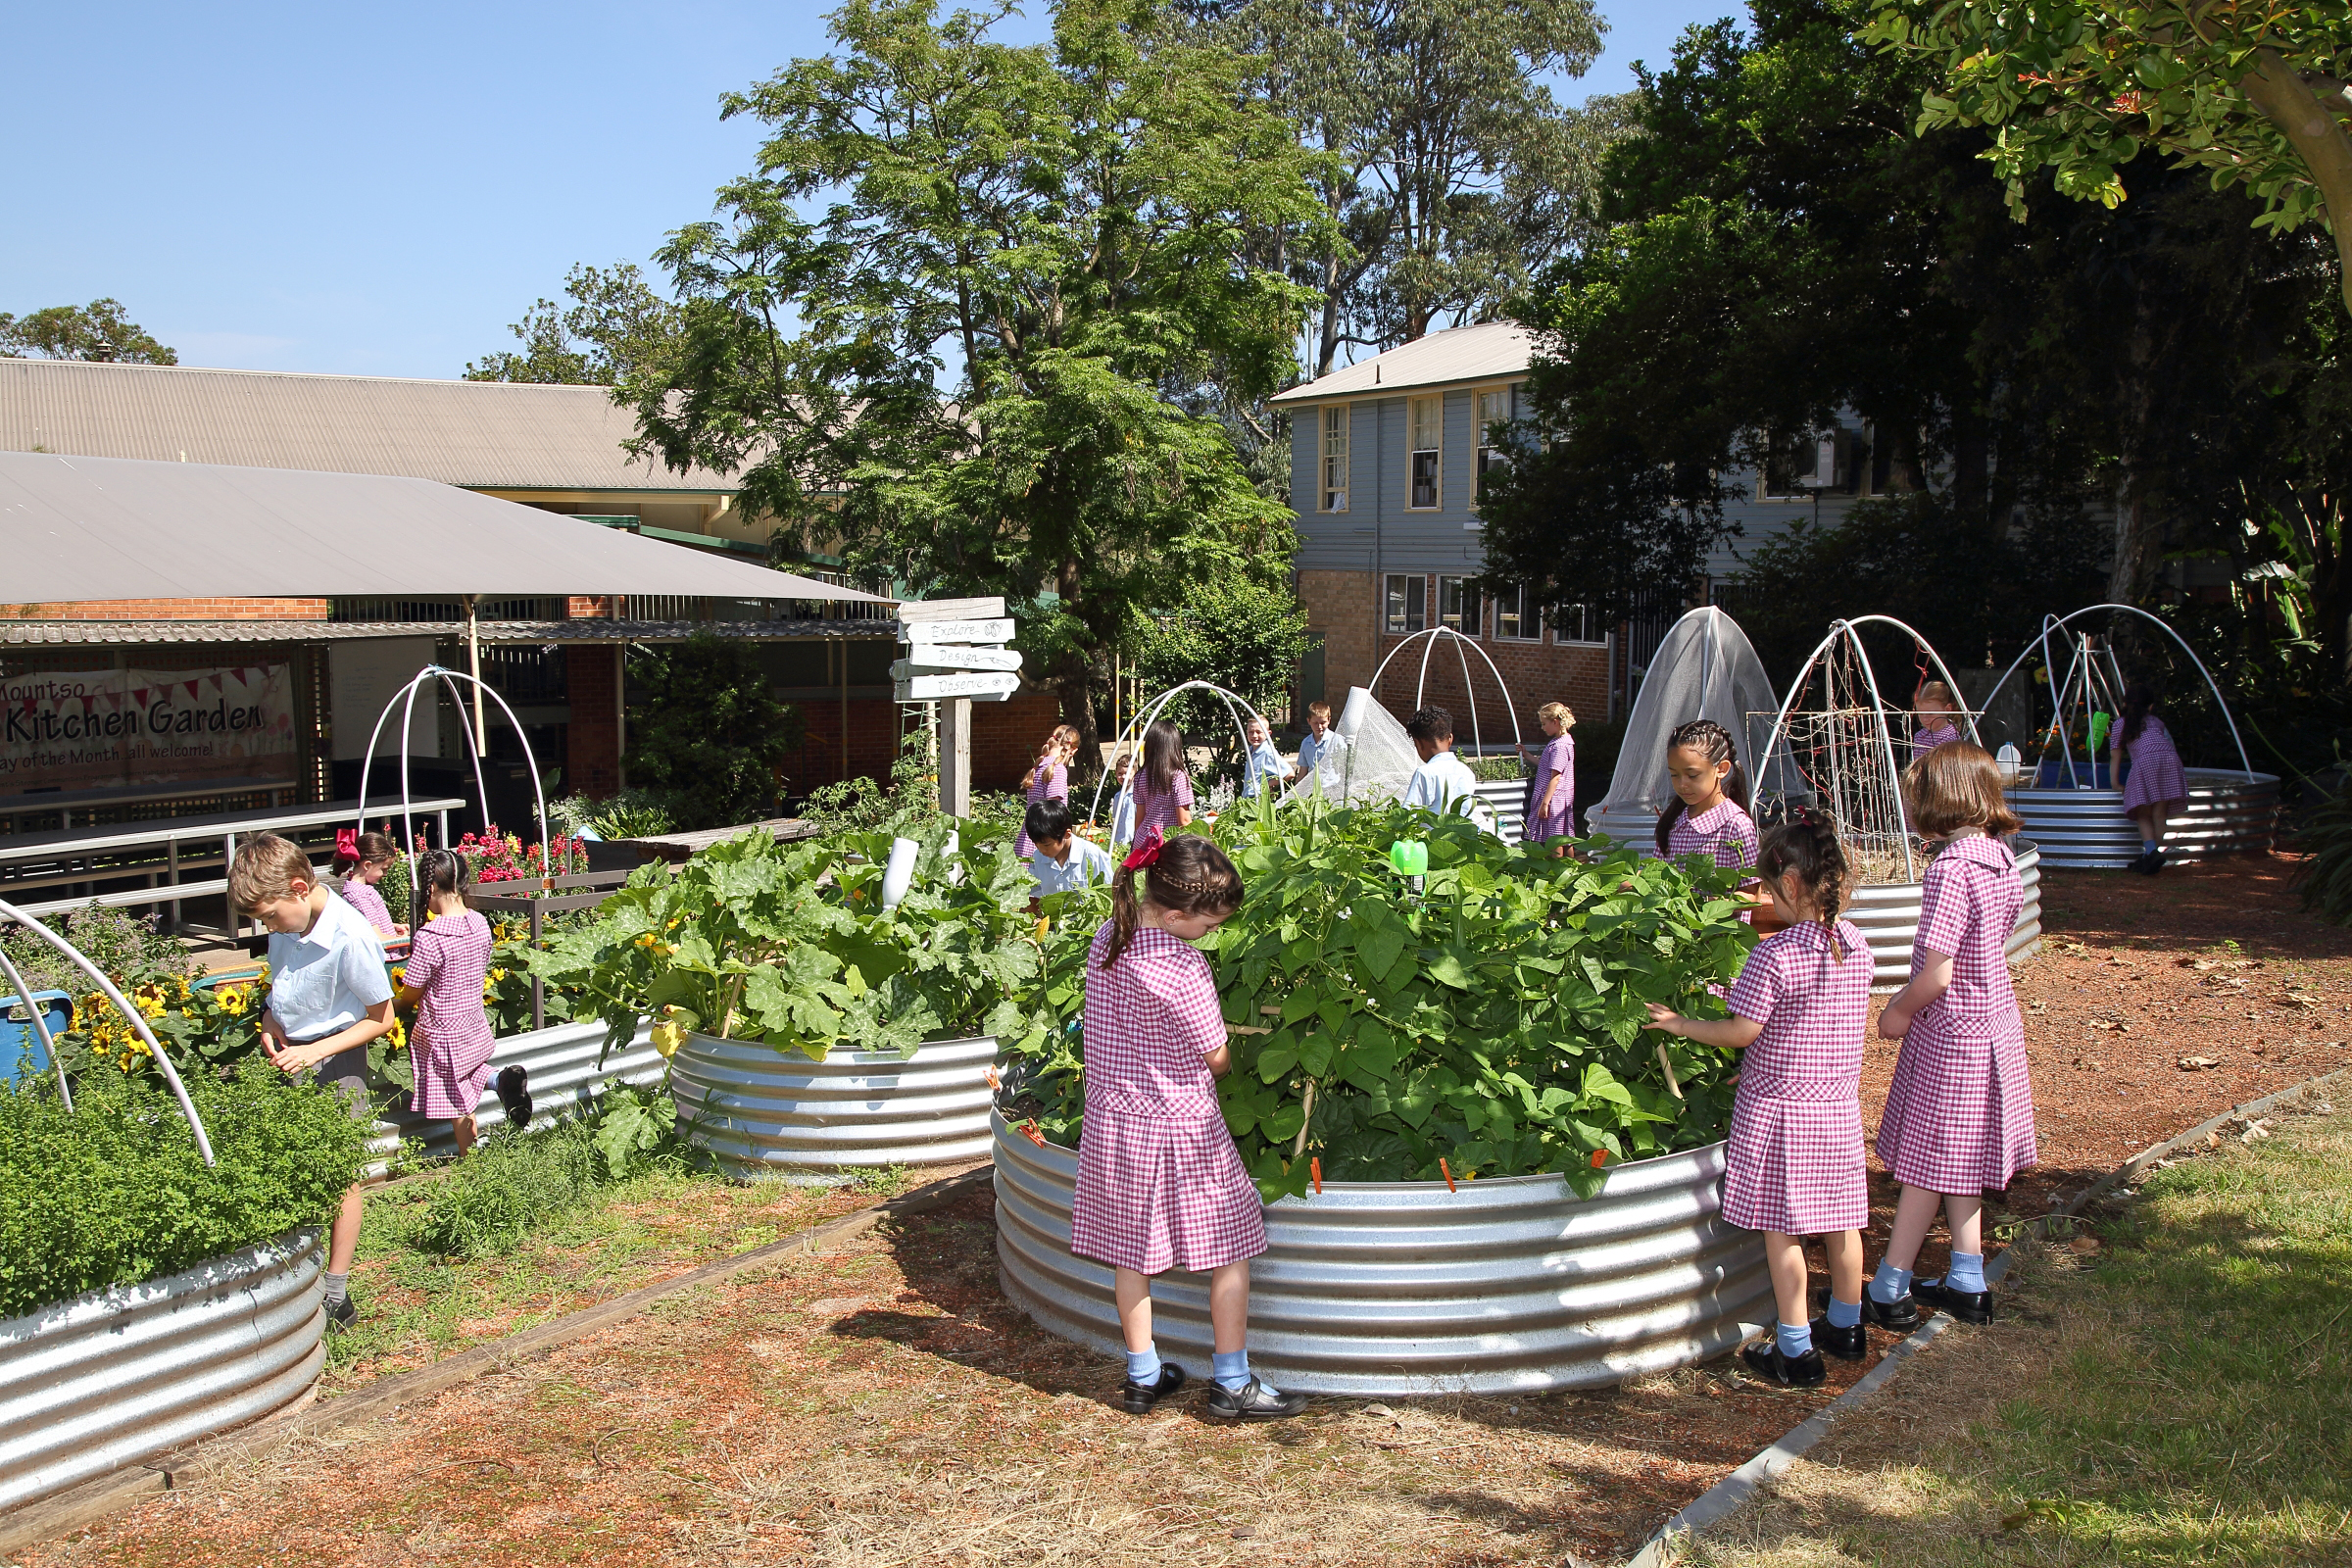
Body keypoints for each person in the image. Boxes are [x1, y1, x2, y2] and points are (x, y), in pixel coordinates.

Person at [1071, 829, 1303, 1421]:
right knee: (1230, 1247)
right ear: (1176, 914)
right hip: (1179, 1124)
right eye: (1209, 924)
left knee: (1132, 1253)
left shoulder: (1109, 939)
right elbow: (1216, 1058)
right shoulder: (1182, 967)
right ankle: (1231, 1380)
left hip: (1113, 1122)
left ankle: (1143, 1373)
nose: (1212, 934)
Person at [1644, 808, 1871, 1386]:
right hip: (1837, 1106)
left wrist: (1680, 1024)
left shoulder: (1775, 953)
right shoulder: (1856, 946)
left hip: (1784, 1116)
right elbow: (1812, 1029)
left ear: (1790, 885)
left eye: (1769, 889)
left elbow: (1743, 1030)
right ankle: (1846, 1326)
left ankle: (1795, 1349)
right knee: (1843, 1222)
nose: (1767, 900)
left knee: (1785, 1231)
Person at [1869, 743, 2034, 1329]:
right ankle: (1968, 1278)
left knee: (1926, 1165)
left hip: (1952, 1033)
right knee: (1959, 1156)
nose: (1910, 807)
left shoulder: (1949, 870)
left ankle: (1889, 1284)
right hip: (1994, 1022)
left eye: (1915, 797)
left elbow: (1937, 972)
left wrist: (1897, 1009)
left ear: (1941, 801)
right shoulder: (2000, 858)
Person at [231, 833, 397, 1335]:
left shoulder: (351, 934)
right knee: (292, 1164)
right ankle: (294, 1277)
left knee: (341, 1176)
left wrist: (314, 1051)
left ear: (300, 888)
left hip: (335, 1059)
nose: (267, 926)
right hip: (294, 1055)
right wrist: (268, 1020)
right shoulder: (289, 920)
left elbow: (382, 1018)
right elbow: (283, 983)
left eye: (268, 917)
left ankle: (335, 1293)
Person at [395, 849, 499, 1156]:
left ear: (430, 887)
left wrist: (396, 1007)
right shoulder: (479, 923)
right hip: (473, 1024)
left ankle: (473, 1162)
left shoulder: (431, 935)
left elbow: (411, 991)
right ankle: (500, 1079)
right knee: (468, 1078)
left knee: (458, 1100)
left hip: (442, 1033)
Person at [1654, 718, 1758, 870]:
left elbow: (1751, 891)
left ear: (1721, 769)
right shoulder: (1673, 821)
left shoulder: (1735, 825)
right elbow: (1656, 876)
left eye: (1693, 775)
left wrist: (1709, 896)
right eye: (1674, 775)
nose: (1682, 784)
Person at [2111, 680, 2187, 874]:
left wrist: (2116, 783)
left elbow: (2115, 755)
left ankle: (2151, 853)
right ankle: (2152, 855)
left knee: (2143, 812)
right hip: (2170, 759)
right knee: (2159, 812)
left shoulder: (2121, 724)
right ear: (2151, 706)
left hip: (2146, 763)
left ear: (2125, 704)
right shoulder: (2156, 722)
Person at [1026, 798, 1115, 909]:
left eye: (1046, 844)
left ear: (1067, 834)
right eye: (1035, 843)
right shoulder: (1038, 858)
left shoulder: (1091, 855)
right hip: (1054, 924)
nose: (1041, 850)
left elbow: (1111, 893)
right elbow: (1034, 897)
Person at [1014, 723, 1080, 858]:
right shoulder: (1058, 769)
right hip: (1044, 844)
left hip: (1028, 838)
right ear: (1073, 750)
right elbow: (1052, 814)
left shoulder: (1040, 765)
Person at [331, 828, 408, 939]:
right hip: (384, 955)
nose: (385, 874)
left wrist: (393, 927)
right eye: (384, 869)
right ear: (367, 865)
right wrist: (405, 940)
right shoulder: (359, 897)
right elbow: (376, 937)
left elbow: (369, 925)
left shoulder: (362, 890)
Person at [1401, 706, 1478, 816]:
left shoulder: (1424, 773)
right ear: (1450, 739)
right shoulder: (1466, 772)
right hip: (1461, 833)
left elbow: (1408, 816)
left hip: (1432, 834)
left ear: (1418, 743)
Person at [1128, 719, 1195, 843]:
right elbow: (1184, 821)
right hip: (1165, 844)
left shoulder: (1140, 776)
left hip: (1144, 841)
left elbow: (1140, 817)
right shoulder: (1177, 776)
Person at [1525, 702, 1577, 850]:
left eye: (1544, 723)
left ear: (1555, 722)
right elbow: (1546, 765)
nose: (1542, 728)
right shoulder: (1560, 742)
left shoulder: (1560, 746)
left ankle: (1557, 869)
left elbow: (1556, 776)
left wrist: (1545, 803)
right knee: (1562, 836)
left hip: (1554, 799)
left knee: (1555, 838)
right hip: (1558, 797)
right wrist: (1526, 754)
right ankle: (1571, 869)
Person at [1290, 701, 1344, 786]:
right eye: (1315, 723)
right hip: (1313, 788)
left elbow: (1345, 768)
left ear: (1329, 720)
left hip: (1332, 788)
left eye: (1323, 723)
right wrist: (1296, 793)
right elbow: (1303, 771)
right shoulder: (1306, 743)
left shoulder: (1337, 740)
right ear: (1309, 721)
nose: (1319, 727)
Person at [1240, 716, 1287, 800]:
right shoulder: (1251, 750)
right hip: (1248, 797)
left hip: (1258, 797)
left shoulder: (1267, 752)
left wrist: (1268, 784)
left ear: (1268, 733)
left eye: (1258, 732)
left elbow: (1289, 773)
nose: (1254, 736)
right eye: (1251, 732)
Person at [1911, 681, 1962, 758]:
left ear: (1947, 709)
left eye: (1930, 713)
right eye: (1920, 713)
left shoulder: (1950, 739)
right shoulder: (1920, 735)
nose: (1925, 718)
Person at [1107, 752, 1138, 848]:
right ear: (1115, 773)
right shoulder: (1117, 796)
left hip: (1132, 841)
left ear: (1135, 774)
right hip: (1119, 841)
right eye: (1120, 774)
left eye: (1128, 773)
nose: (1123, 777)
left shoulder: (1136, 795)